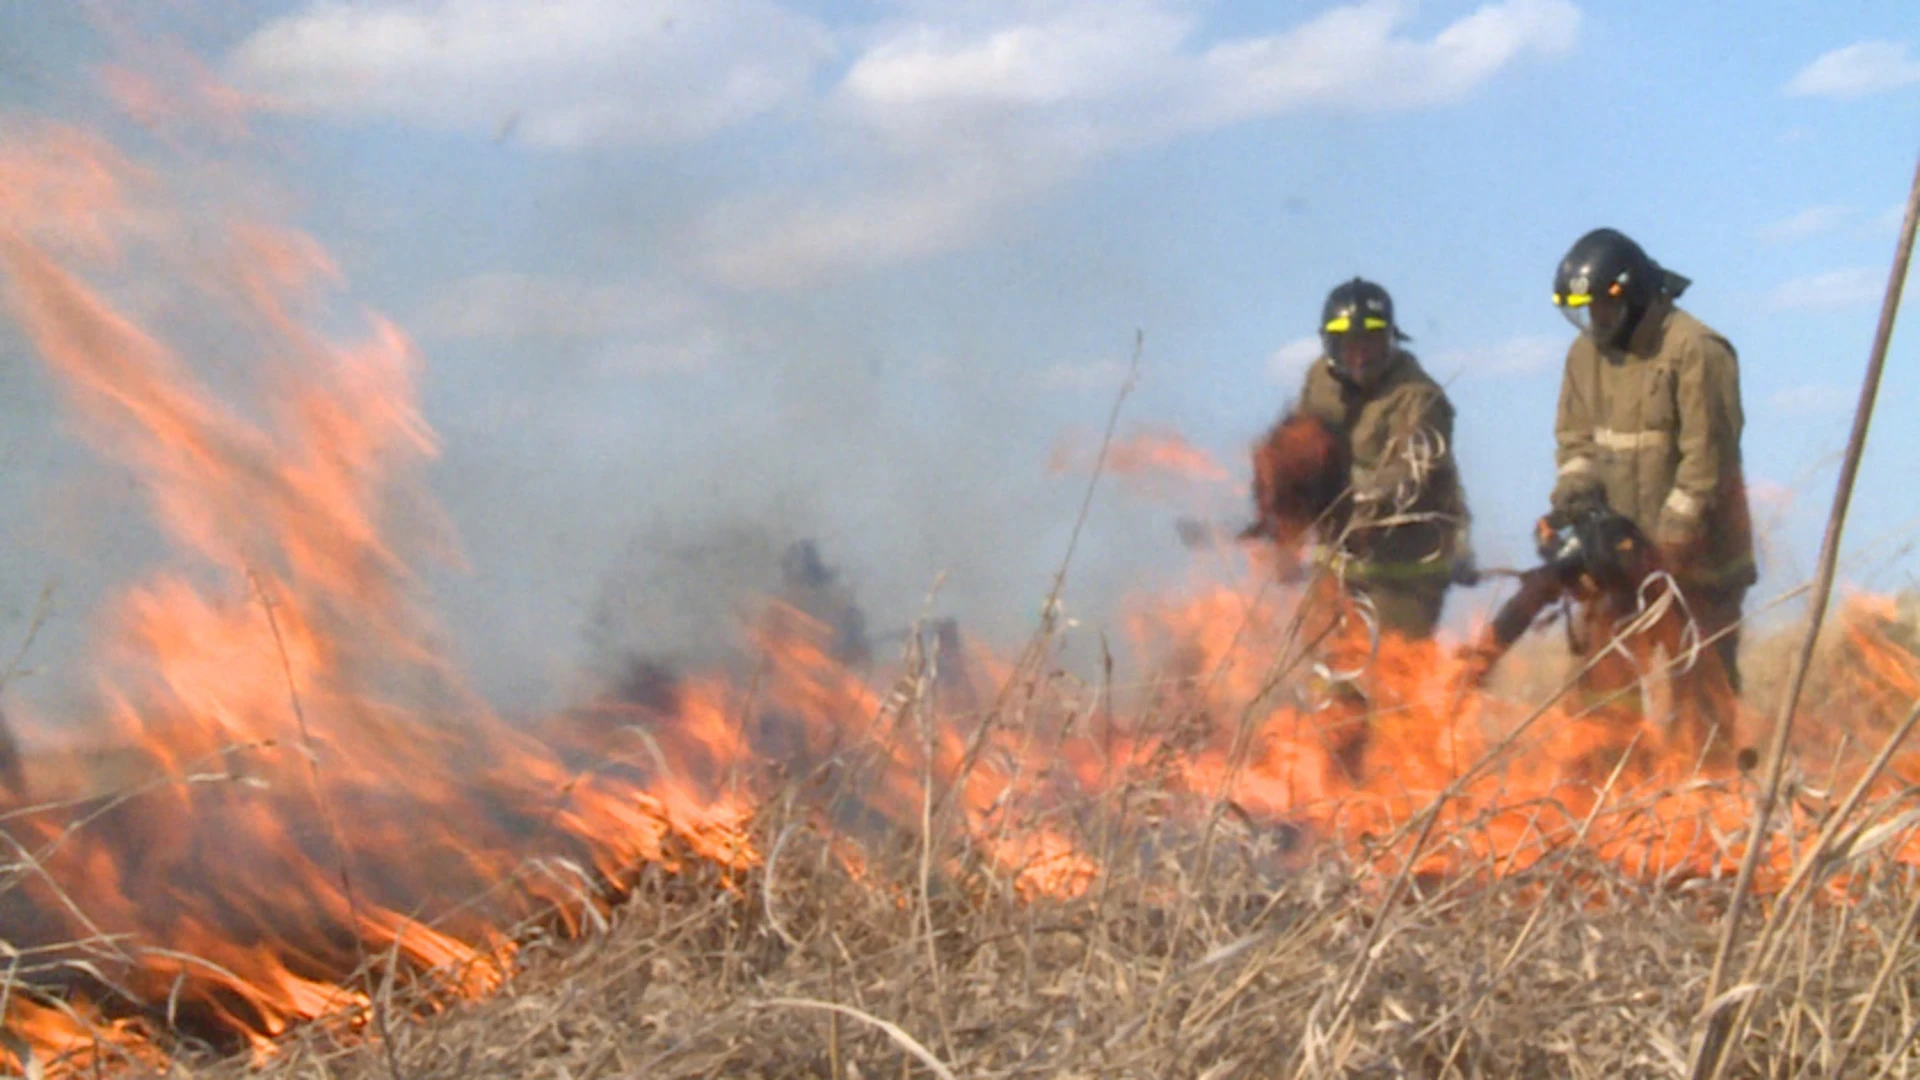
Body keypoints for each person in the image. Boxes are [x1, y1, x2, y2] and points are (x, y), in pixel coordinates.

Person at [1546, 227, 1754, 762]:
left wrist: (1662, 549)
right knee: (1601, 690)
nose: (1595, 323)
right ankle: (1614, 814)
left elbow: (1707, 466)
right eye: (1585, 311)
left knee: (1700, 693)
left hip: (1700, 569)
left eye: (1602, 309)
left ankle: (1711, 811)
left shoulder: (1695, 351)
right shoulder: (1584, 356)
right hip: (1623, 562)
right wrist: (1581, 510)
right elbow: (1575, 442)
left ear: (1631, 295)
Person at [1282, 277, 1477, 641]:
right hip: (1337, 565)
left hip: (1407, 569)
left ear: (1390, 340)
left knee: (1393, 674)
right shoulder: (1318, 381)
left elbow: (1411, 475)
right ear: (1329, 345)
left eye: (1370, 345)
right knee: (1326, 671)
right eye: (1347, 347)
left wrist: (1351, 499)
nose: (1358, 358)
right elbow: (1302, 449)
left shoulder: (1419, 397)